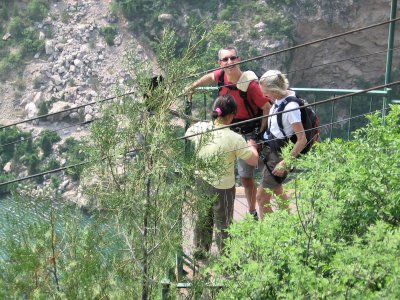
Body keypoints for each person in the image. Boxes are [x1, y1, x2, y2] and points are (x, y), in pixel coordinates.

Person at [186, 46, 271, 220]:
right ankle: (221, 200)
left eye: (232, 58)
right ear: (220, 63)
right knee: (221, 168)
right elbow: (209, 77)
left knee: (246, 176)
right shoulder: (221, 76)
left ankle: (252, 211)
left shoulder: (250, 84)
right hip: (227, 127)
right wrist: (192, 87)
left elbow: (267, 108)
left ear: (239, 60)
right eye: (225, 60)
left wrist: (259, 133)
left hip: (248, 130)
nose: (229, 62)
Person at [185, 94, 259, 257]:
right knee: (224, 222)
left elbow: (187, 134)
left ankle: (200, 253)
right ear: (232, 115)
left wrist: (201, 124)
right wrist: (252, 146)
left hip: (201, 180)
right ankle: (226, 260)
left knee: (203, 217)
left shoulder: (199, 128)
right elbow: (253, 160)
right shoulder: (234, 138)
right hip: (223, 187)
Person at [256, 70, 307, 219]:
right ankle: (288, 223)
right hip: (272, 149)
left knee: (261, 198)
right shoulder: (281, 98)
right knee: (276, 189)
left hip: (279, 156)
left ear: (275, 90)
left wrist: (285, 162)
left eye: (266, 93)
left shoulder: (291, 108)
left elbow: (302, 139)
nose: (266, 97)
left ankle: (271, 232)